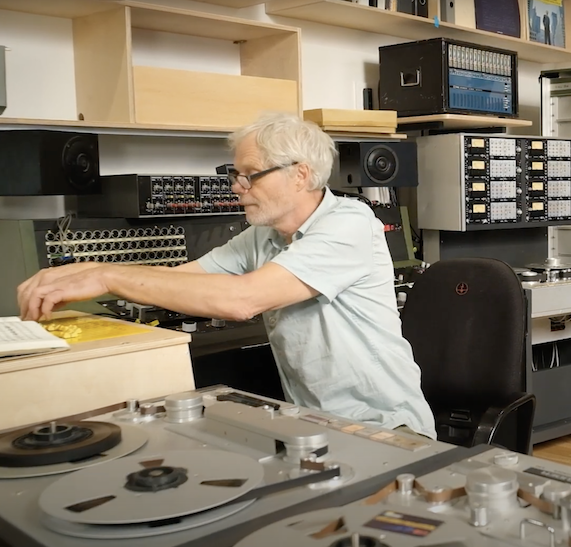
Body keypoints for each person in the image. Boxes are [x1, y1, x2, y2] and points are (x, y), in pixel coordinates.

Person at [17, 112, 437, 440]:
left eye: (248, 175)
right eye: (232, 174)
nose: (236, 186)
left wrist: (108, 275)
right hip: (315, 426)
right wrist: (87, 273)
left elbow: (242, 300)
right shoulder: (263, 237)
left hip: (386, 428)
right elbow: (182, 281)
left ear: (301, 174)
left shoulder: (350, 223)